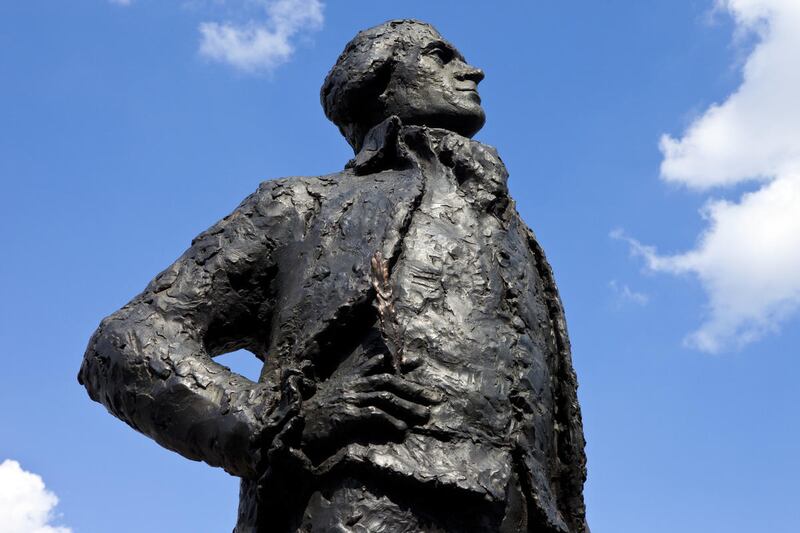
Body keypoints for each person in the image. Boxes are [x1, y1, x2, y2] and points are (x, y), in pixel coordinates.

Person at [79, 19, 588, 532]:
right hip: (359, 504)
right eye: (440, 56)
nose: (472, 70)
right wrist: (277, 422)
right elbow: (124, 342)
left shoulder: (514, 233)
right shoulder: (301, 207)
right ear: (378, 82)